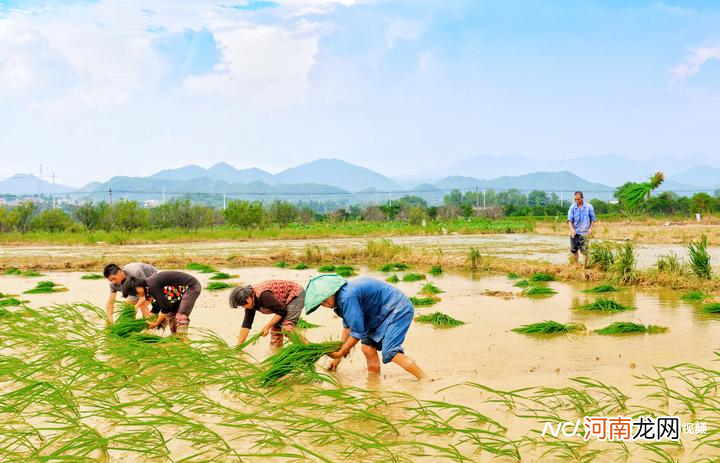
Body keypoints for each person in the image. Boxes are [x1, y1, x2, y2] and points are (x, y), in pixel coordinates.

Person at [304, 274, 426, 380]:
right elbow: (348, 327)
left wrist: (341, 352)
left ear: (333, 291)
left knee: (390, 352)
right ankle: (374, 382)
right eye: (321, 304)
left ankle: (425, 379)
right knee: (367, 348)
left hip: (397, 308)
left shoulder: (347, 297)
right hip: (379, 314)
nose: (326, 305)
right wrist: (338, 356)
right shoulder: (339, 303)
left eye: (325, 300)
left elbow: (357, 333)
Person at [229, 280, 306, 348]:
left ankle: (311, 348)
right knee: (276, 330)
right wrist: (239, 347)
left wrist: (266, 327)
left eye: (243, 305)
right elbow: (246, 325)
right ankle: (275, 354)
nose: (243, 307)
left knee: (287, 328)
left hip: (296, 293)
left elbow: (281, 311)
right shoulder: (250, 302)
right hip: (282, 305)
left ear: (248, 298)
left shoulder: (263, 295)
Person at [123, 270, 201, 335]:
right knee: (170, 316)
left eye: (135, 293)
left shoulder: (152, 286)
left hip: (191, 287)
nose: (137, 295)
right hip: (176, 296)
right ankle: (175, 338)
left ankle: (183, 340)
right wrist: (145, 322)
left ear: (138, 287)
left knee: (181, 316)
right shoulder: (147, 291)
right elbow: (156, 308)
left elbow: (165, 308)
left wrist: (156, 323)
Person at [566, 191, 597, 266]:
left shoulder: (589, 207)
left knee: (584, 251)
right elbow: (569, 220)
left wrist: (590, 229)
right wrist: (572, 230)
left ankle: (584, 267)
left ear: (582, 198)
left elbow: (593, 219)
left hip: (585, 233)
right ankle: (575, 265)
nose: (577, 201)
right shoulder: (572, 207)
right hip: (575, 233)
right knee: (574, 250)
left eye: (579, 199)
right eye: (575, 199)